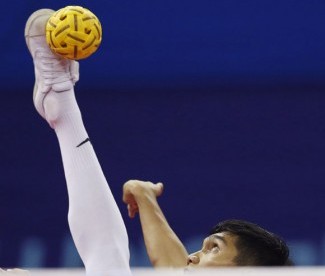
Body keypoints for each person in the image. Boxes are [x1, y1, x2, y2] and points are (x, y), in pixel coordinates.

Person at [25, 8, 291, 274]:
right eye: (205, 247)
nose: (191, 257)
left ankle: (64, 112)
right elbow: (174, 268)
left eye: (214, 249)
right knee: (110, 262)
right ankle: (63, 110)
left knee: (109, 265)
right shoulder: (183, 268)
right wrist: (144, 197)